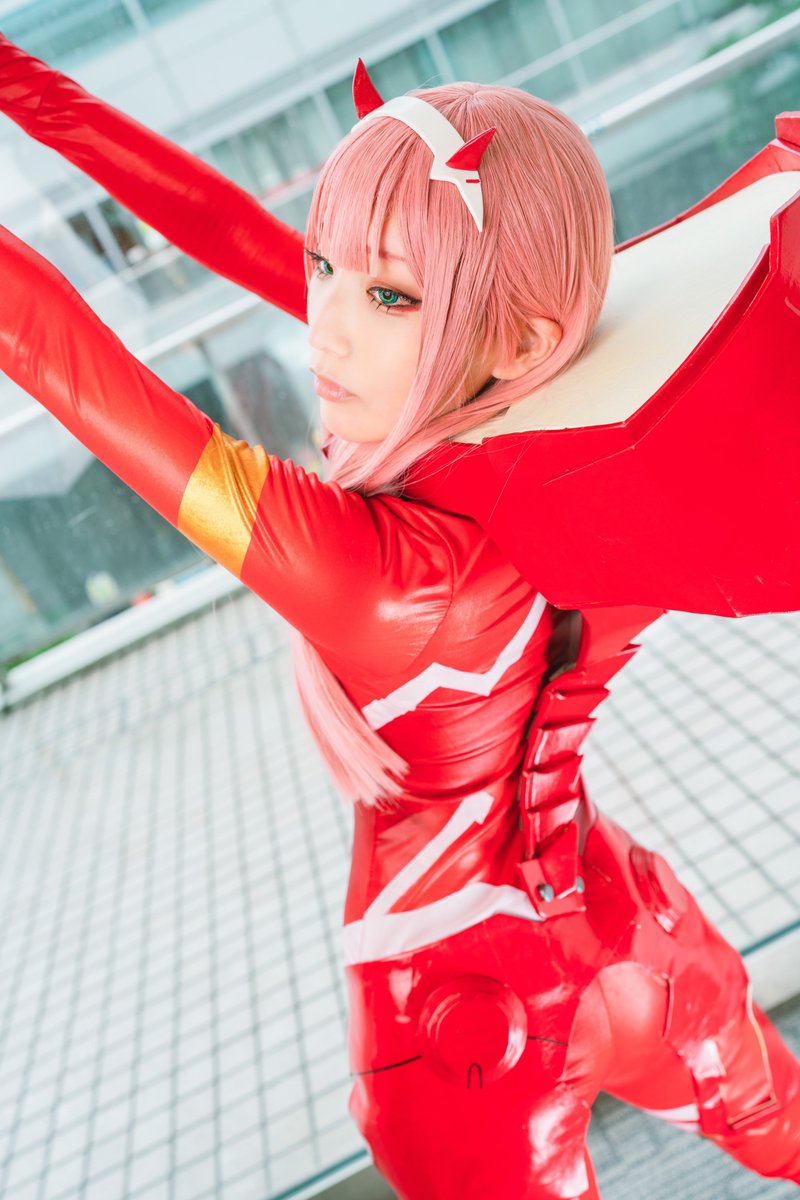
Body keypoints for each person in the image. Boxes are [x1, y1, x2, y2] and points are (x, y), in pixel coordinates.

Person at [0, 39, 798, 1199]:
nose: (320, 328)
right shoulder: (580, 420)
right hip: (629, 931)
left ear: (518, 334)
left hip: (462, 1028)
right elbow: (229, 231)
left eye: (383, 294)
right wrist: (26, 89)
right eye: (323, 266)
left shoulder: (375, 575)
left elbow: (56, 355)